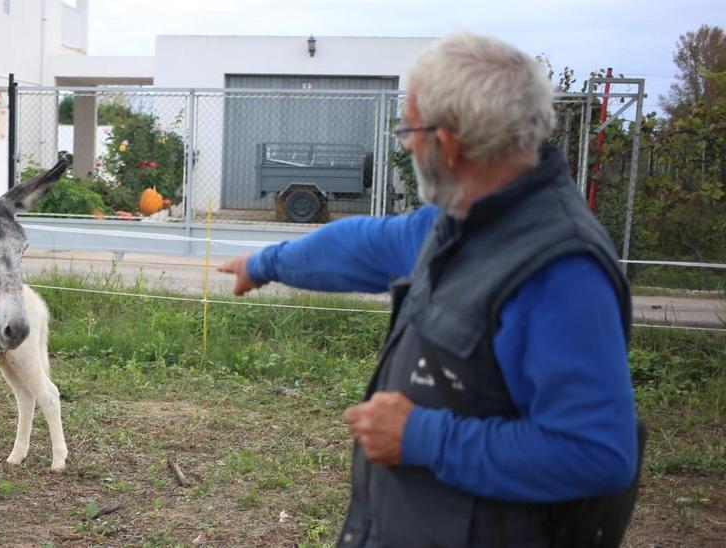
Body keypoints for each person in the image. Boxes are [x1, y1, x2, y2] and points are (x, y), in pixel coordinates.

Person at [219, 31, 639, 547]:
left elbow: (596, 453)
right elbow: (362, 245)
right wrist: (264, 262)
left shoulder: (559, 270)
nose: (407, 143)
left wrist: (423, 437)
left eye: (408, 129)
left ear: (446, 142)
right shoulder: (459, 221)